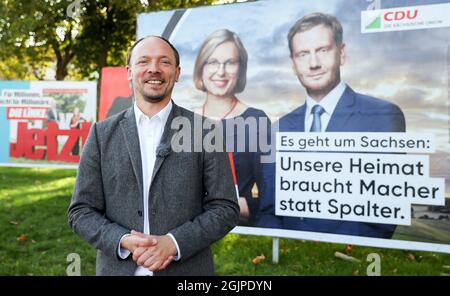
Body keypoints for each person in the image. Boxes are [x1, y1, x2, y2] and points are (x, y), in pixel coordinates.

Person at [68, 36, 239, 276]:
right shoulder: (101, 134)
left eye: (164, 62)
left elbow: (225, 208)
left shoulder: (205, 131)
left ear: (177, 73)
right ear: (129, 72)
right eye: (144, 61)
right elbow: (81, 211)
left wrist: (174, 242)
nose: (154, 69)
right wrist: (123, 239)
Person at [257, 13, 405, 238]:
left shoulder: (381, 116)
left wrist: (319, 250)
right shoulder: (279, 128)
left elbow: (382, 213)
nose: (314, 63)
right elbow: (268, 209)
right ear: (293, 63)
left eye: (323, 50)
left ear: (341, 53)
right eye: (303, 54)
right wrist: (289, 248)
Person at [193, 29, 270, 226]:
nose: (221, 71)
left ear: (240, 69)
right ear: (201, 68)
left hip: (237, 230)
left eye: (230, 62)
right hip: (183, 234)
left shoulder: (256, 121)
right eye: (212, 62)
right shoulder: (182, 120)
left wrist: (226, 205)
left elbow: (270, 195)